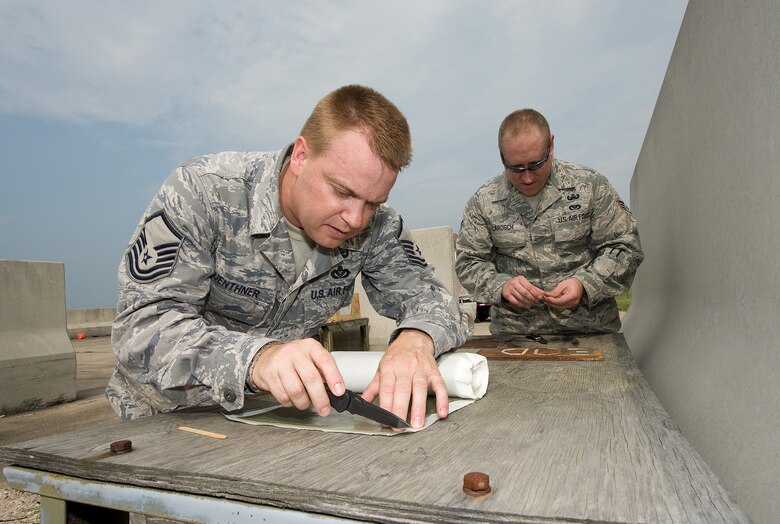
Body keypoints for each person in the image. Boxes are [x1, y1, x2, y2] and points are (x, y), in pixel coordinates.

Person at [107, 85, 466, 429]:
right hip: (168, 418)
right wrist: (257, 359)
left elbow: (436, 301)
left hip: (276, 417)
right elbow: (141, 330)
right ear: (301, 156)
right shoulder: (202, 192)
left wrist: (417, 339)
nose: (356, 219)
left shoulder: (378, 228)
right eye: (342, 191)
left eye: (373, 202)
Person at [455, 108, 643, 336]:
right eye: (515, 168)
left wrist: (584, 283)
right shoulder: (483, 202)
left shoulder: (591, 187)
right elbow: (468, 262)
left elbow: (625, 248)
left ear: (551, 145)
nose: (527, 177)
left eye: (536, 164)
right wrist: (501, 285)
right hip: (517, 337)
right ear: (501, 155)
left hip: (590, 330)